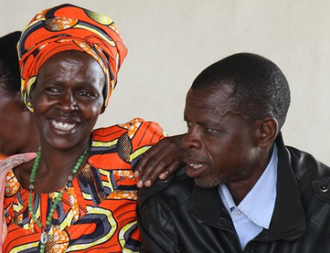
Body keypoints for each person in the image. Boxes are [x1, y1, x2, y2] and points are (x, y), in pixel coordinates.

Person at [0, 4, 183, 252]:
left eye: (86, 93)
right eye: (53, 89)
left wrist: (185, 145)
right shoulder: (7, 187)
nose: (67, 105)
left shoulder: (129, 150)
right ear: (30, 95)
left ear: (103, 103)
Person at [137, 52, 330, 252]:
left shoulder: (323, 211)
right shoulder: (168, 200)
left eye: (209, 129)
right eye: (189, 124)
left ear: (264, 133)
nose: (186, 141)